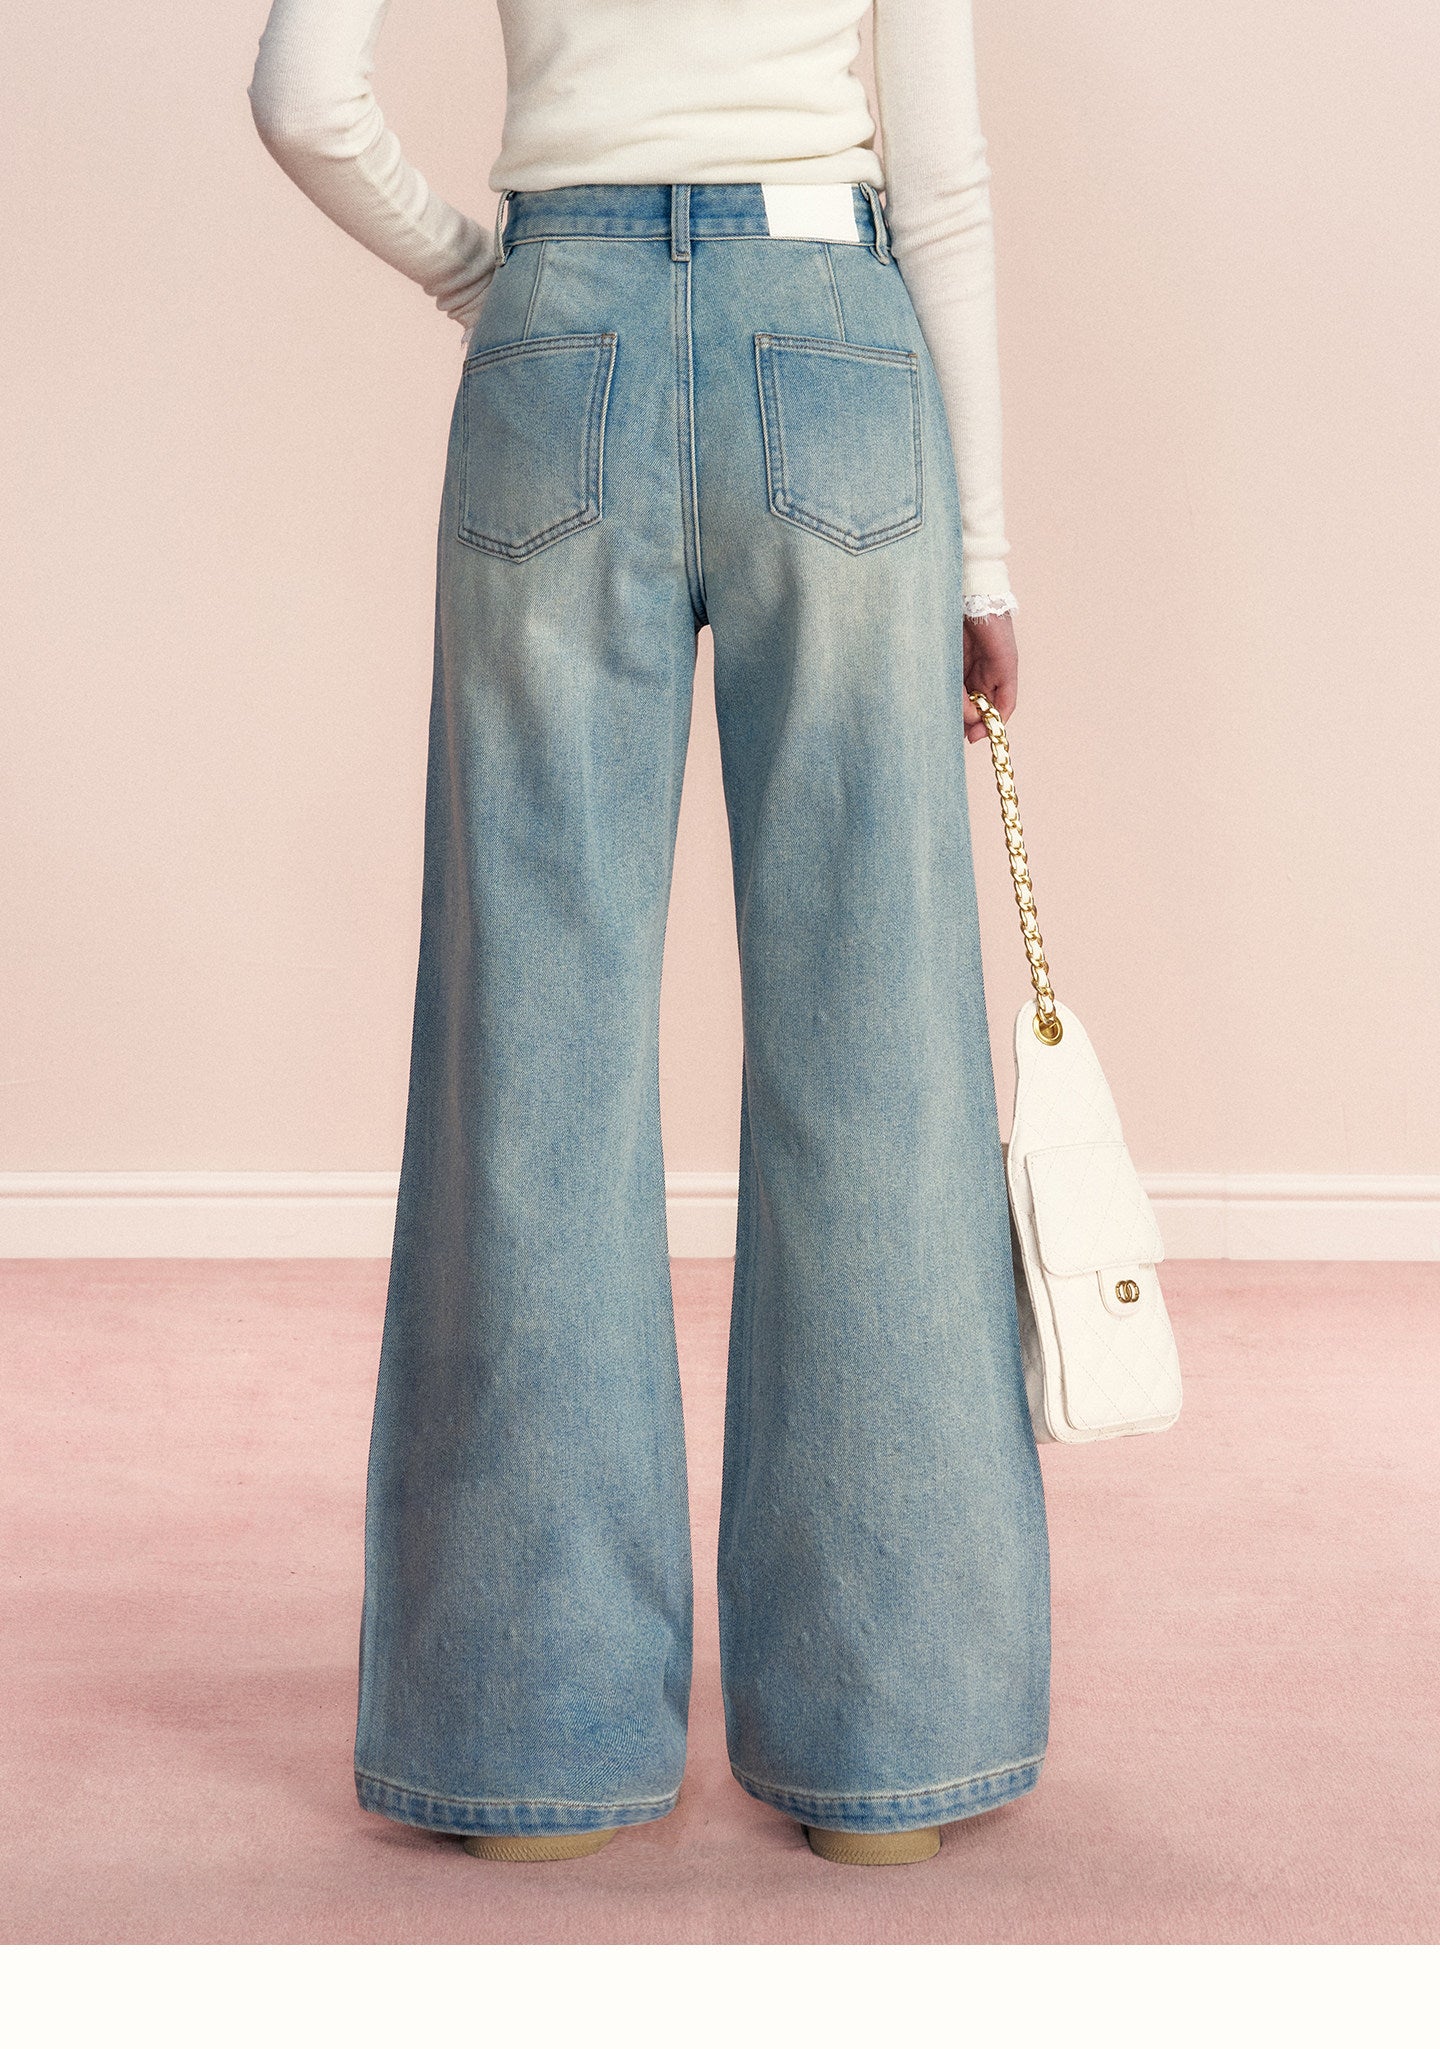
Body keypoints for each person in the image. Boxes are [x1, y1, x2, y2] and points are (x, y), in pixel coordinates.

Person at [249, 0, 1050, 1869]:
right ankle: (890, 1748)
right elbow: (940, 179)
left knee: (534, 1053)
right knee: (878, 1059)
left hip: (562, 339)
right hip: (833, 340)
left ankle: (527, 1749)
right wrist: (986, 555)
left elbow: (302, 97)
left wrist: (488, 281)